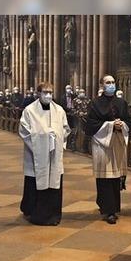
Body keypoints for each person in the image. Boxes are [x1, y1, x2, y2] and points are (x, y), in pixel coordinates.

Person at [18, 83, 70, 226]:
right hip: (36, 155)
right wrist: (44, 136)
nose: (48, 95)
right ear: (38, 93)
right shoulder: (29, 111)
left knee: (53, 183)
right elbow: (24, 130)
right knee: (35, 184)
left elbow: (66, 128)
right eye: (45, 92)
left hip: (54, 154)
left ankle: (53, 215)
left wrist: (58, 136)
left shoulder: (59, 110)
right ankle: (35, 214)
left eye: (50, 92)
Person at [85, 74, 131, 224]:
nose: (111, 85)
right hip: (102, 144)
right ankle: (107, 210)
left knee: (115, 177)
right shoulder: (95, 103)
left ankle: (114, 207)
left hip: (117, 142)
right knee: (105, 177)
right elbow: (91, 124)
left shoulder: (122, 102)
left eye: (112, 82)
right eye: (108, 82)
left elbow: (128, 121)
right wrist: (111, 125)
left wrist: (122, 125)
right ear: (102, 85)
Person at [73, 88, 91, 153]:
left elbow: (90, 109)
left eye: (83, 92)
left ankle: (85, 147)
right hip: (78, 118)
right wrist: (78, 113)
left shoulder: (88, 100)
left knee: (86, 133)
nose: (82, 93)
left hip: (86, 119)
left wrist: (87, 113)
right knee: (76, 132)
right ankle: (74, 146)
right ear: (78, 93)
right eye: (81, 92)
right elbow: (73, 109)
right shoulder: (75, 100)